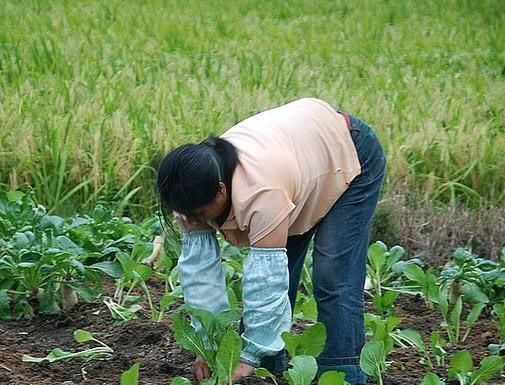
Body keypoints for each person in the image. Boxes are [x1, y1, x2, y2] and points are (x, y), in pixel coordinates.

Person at [156, 97, 386, 385]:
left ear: (221, 190)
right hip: (299, 161)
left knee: (333, 277)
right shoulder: (189, 190)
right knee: (283, 269)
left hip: (348, 152)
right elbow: (200, 275)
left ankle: (342, 374)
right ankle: (268, 369)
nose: (195, 220)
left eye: (201, 214)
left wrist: (248, 356)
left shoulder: (261, 193)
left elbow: (266, 280)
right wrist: (211, 345)